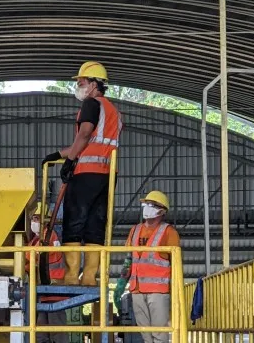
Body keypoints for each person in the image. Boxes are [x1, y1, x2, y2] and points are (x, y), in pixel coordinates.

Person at [42, 61, 122, 286]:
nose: (79, 86)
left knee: (74, 225)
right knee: (95, 226)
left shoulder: (90, 104)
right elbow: (93, 142)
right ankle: (89, 277)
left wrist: (70, 160)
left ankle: (70, 277)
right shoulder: (112, 111)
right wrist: (58, 154)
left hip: (86, 173)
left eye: (82, 82)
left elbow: (85, 134)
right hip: (106, 175)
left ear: (96, 85)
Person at [124, 190, 181, 343]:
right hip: (136, 289)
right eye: (146, 204)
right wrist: (123, 279)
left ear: (162, 210)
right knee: (145, 334)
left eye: (152, 205)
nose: (147, 207)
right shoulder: (134, 230)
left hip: (158, 292)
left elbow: (176, 264)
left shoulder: (169, 232)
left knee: (159, 333)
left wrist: (175, 290)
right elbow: (129, 257)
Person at [26, 208, 68, 343]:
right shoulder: (36, 239)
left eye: (37, 219)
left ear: (46, 220)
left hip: (55, 290)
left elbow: (34, 254)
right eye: (33, 218)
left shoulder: (49, 236)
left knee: (57, 331)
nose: (34, 222)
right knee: (40, 332)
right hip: (44, 292)